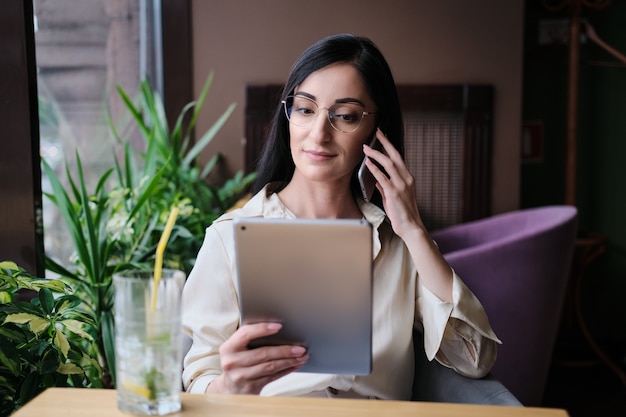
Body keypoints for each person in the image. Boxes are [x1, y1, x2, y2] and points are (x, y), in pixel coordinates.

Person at [182, 33, 500, 400]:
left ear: (376, 131)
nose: (319, 133)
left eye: (345, 115)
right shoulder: (229, 237)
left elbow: (475, 359)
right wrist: (230, 385)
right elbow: (199, 380)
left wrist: (413, 230)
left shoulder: (398, 244)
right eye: (304, 109)